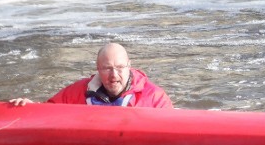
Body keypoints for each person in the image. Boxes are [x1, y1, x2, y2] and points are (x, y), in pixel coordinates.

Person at [9, 42, 173, 108]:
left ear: (129, 67)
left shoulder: (155, 98)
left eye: (120, 68)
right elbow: (48, 112)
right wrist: (30, 107)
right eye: (107, 68)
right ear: (97, 69)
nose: (114, 75)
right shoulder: (76, 93)